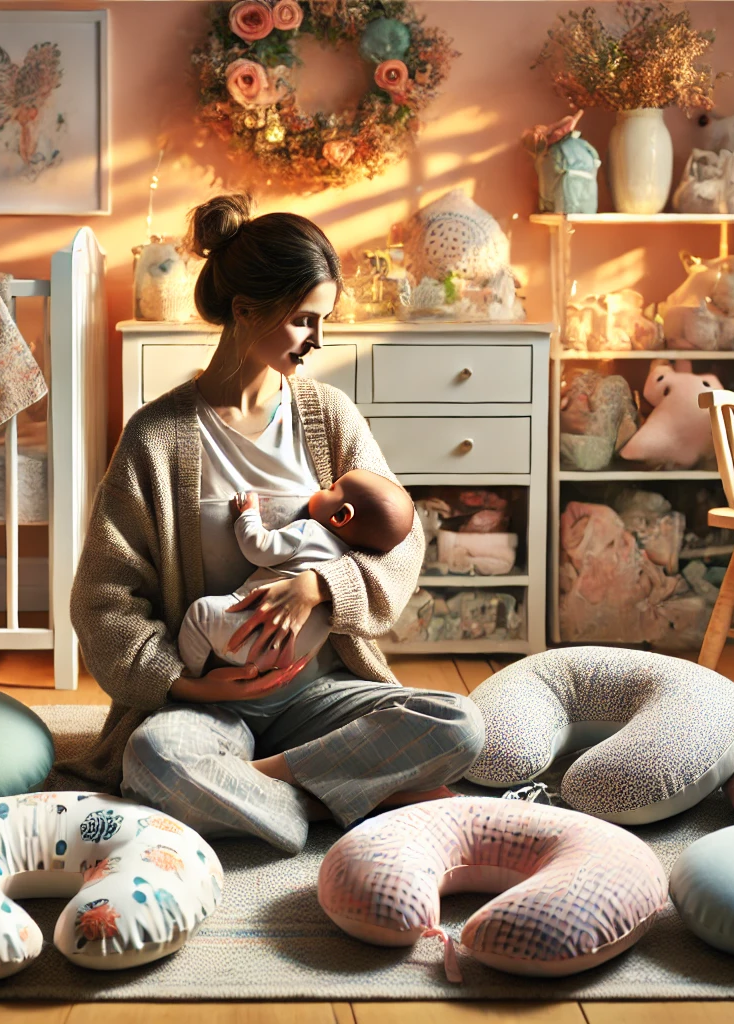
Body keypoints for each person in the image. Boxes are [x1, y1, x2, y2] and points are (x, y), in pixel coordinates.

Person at [58, 193, 484, 853]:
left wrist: (321, 586)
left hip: (321, 694)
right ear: (244, 310)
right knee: (153, 760)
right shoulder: (158, 437)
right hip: (210, 705)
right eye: (303, 320)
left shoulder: (328, 415)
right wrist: (186, 682)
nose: (317, 340)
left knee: (459, 724)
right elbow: (105, 597)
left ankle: (258, 791)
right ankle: (344, 795)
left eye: (323, 321)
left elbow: (403, 540)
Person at [179, 469, 416, 677]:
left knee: (199, 615)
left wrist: (247, 515)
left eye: (332, 488)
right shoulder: (348, 560)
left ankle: (192, 674)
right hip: (292, 657)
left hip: (245, 630)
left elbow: (258, 549)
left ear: (341, 516)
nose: (324, 487)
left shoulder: (310, 532)